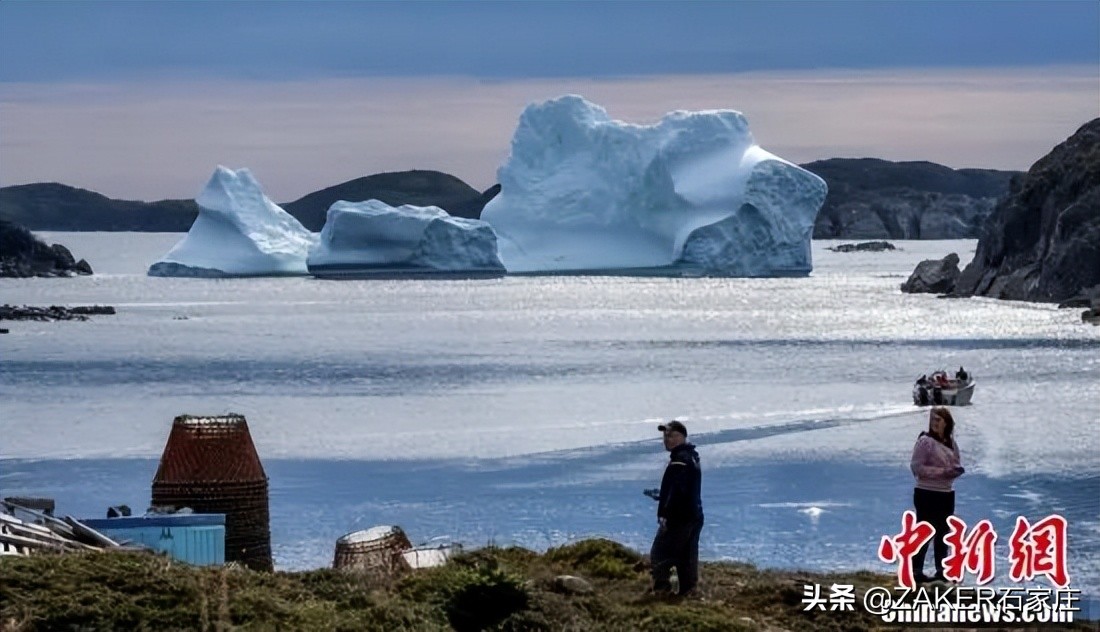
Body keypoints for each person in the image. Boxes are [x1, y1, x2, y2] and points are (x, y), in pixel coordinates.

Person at [648, 420, 704, 596]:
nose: (666, 439)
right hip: (693, 513)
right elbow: (681, 489)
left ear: (681, 437)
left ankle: (662, 590)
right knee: (686, 555)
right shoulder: (691, 457)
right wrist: (661, 495)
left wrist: (665, 513)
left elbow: (677, 491)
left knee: (660, 552)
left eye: (671, 435)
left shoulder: (680, 461)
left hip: (679, 517)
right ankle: (688, 590)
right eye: (665, 436)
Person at [909, 407, 964, 583]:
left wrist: (954, 471)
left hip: (946, 493)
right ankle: (916, 570)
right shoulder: (925, 442)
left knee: (943, 533)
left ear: (946, 423)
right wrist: (942, 472)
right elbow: (916, 468)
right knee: (925, 531)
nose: (935, 423)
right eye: (933, 420)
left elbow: (956, 463)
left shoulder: (951, 443)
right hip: (926, 492)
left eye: (938, 420)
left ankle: (942, 570)